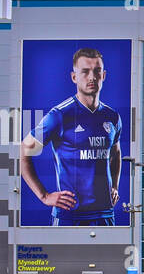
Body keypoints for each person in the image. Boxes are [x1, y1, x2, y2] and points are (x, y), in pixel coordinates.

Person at [20, 48, 122, 226]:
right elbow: (24, 150)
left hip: (104, 214)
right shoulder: (60, 115)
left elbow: (116, 153)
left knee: (107, 256)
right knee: (65, 256)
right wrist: (44, 196)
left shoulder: (112, 117)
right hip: (70, 215)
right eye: (85, 71)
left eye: (97, 71)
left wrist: (114, 186)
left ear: (103, 75)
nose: (92, 77)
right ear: (74, 77)